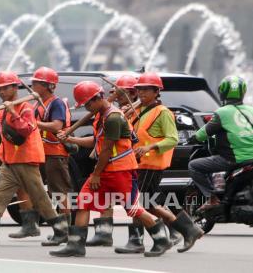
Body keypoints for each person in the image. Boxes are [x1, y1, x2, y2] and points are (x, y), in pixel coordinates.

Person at [51, 80, 172, 257]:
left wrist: (96, 175)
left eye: (87, 104)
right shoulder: (102, 115)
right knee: (83, 202)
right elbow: (97, 142)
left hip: (120, 171)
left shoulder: (114, 118)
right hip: (106, 170)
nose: (86, 108)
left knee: (133, 209)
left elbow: (107, 149)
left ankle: (161, 239)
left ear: (96, 99)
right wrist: (71, 140)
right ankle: (75, 245)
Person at [0, 71, 68, 246]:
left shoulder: (25, 108)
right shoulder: (3, 110)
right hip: (9, 161)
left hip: (26, 160)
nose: (1, 92)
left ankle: (60, 231)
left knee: (40, 197)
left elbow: (26, 130)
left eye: (5, 88)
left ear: (15, 88)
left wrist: (13, 112)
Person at [115, 72, 203, 254]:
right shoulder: (137, 110)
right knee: (151, 201)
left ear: (157, 92)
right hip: (138, 164)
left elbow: (173, 139)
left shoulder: (163, 113)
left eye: (146, 90)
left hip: (151, 164)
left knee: (141, 203)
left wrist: (150, 147)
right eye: (139, 90)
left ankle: (169, 235)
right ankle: (186, 230)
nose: (141, 93)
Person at [8, 67, 74, 244]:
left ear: (48, 86)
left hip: (55, 153)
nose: (32, 85)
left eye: (36, 83)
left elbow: (56, 126)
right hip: (39, 153)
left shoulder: (57, 103)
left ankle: (65, 230)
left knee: (59, 192)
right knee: (28, 187)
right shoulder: (36, 103)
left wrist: (34, 123)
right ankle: (30, 225)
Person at [86, 75, 139, 247]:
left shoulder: (137, 111)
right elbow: (99, 139)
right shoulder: (112, 113)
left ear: (133, 94)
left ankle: (178, 229)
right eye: (115, 94)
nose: (117, 97)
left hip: (135, 161)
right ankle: (104, 234)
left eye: (120, 94)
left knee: (140, 204)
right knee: (107, 198)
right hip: (114, 163)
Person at [188, 76, 253, 211]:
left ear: (222, 92)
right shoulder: (251, 110)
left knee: (194, 166)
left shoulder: (222, 112)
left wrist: (193, 138)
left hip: (233, 159)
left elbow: (203, 134)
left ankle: (212, 199)